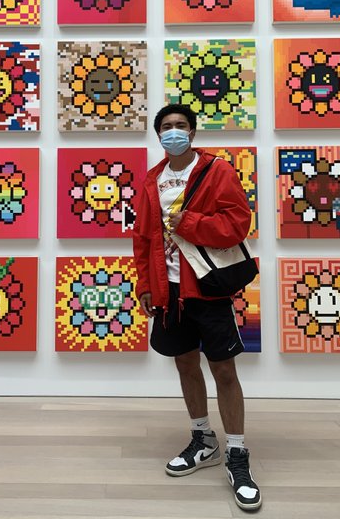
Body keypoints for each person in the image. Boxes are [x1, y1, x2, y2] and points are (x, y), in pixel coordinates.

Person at [133, 103, 261, 512]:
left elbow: (237, 224)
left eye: (181, 125)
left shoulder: (216, 171)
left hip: (207, 289)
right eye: (167, 126)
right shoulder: (151, 180)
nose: (174, 132)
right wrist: (145, 285)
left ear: (192, 132)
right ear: (158, 135)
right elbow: (143, 239)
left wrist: (187, 222)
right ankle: (203, 440)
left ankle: (237, 453)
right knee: (185, 364)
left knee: (224, 370)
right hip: (168, 292)